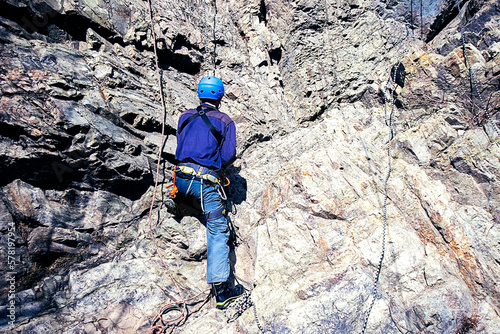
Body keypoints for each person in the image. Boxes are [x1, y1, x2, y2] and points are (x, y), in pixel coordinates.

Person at [166, 76, 244, 309]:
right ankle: (222, 290)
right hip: (205, 184)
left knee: (186, 197)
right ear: (220, 96)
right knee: (218, 228)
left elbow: (182, 143)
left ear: (199, 93)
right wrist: (214, 166)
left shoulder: (184, 116)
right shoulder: (225, 121)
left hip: (180, 179)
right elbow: (229, 155)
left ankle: (177, 203)